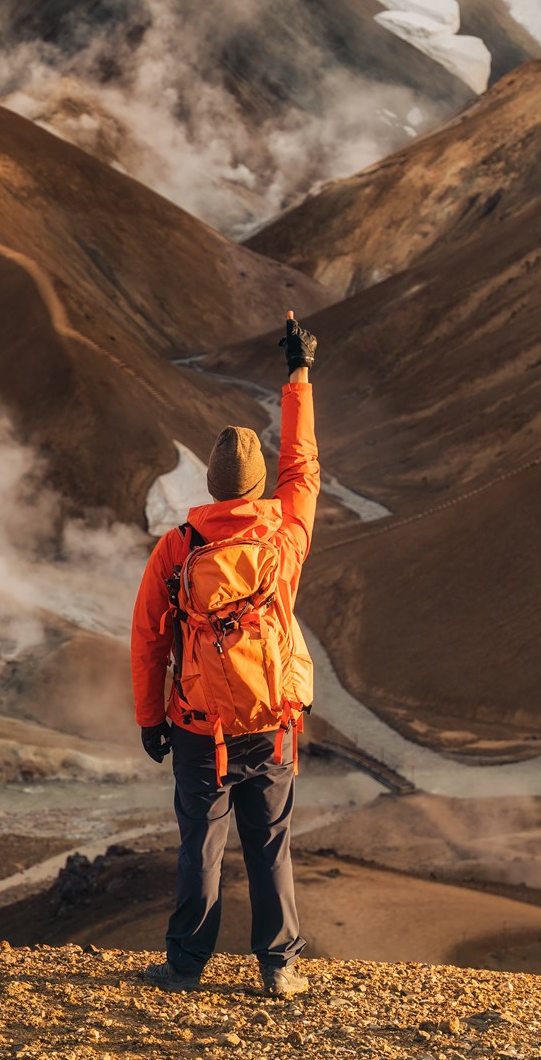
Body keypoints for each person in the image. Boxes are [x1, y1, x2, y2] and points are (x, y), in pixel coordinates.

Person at [130, 313, 319, 998]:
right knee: (270, 845)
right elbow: (304, 467)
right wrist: (298, 374)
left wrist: (150, 717)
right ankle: (278, 966)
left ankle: (185, 966)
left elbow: (148, 636)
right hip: (271, 721)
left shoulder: (178, 547)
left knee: (200, 848)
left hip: (198, 728)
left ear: (210, 485)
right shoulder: (284, 537)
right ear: (258, 484)